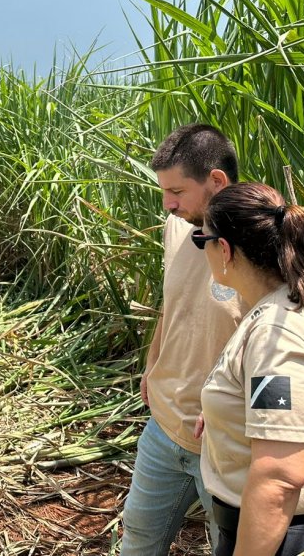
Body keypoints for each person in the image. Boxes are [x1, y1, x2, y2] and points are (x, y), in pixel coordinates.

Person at [196, 183, 304, 556]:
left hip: (290, 539)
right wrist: (222, 413)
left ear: (224, 249)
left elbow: (280, 478)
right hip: (301, 530)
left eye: (203, 240)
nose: (203, 249)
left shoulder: (279, 333)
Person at [121, 124, 244, 555]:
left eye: (176, 191)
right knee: (137, 538)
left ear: (216, 181)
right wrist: (153, 365)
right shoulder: (178, 226)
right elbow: (172, 302)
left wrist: (228, 402)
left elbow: (273, 335)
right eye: (163, 191)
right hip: (164, 424)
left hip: (224, 445)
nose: (167, 204)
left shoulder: (259, 241)